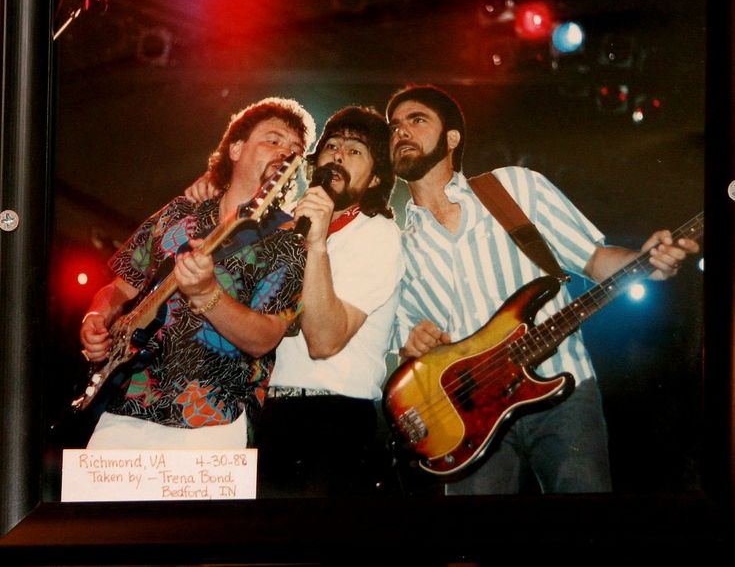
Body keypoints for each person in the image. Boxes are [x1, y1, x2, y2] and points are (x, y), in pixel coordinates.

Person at [386, 84, 700, 494]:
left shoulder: (513, 189)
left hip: (561, 391)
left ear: (452, 138)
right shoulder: (398, 244)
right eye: (394, 127)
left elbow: (591, 258)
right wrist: (411, 343)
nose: (401, 132)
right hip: (467, 423)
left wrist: (644, 264)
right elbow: (403, 343)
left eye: (417, 120)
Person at [186, 105, 404, 497]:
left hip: (337, 420)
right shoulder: (289, 230)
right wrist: (215, 186)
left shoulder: (379, 235)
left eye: (355, 151)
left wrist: (317, 243)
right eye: (331, 146)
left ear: (374, 179)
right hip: (271, 414)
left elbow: (324, 341)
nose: (338, 155)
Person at [78, 97, 315, 449]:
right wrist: (96, 317)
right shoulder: (179, 212)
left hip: (213, 421)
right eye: (273, 139)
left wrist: (207, 295)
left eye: (295, 150)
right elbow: (122, 285)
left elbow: (266, 336)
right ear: (236, 148)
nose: (285, 152)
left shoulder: (290, 242)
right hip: (124, 406)